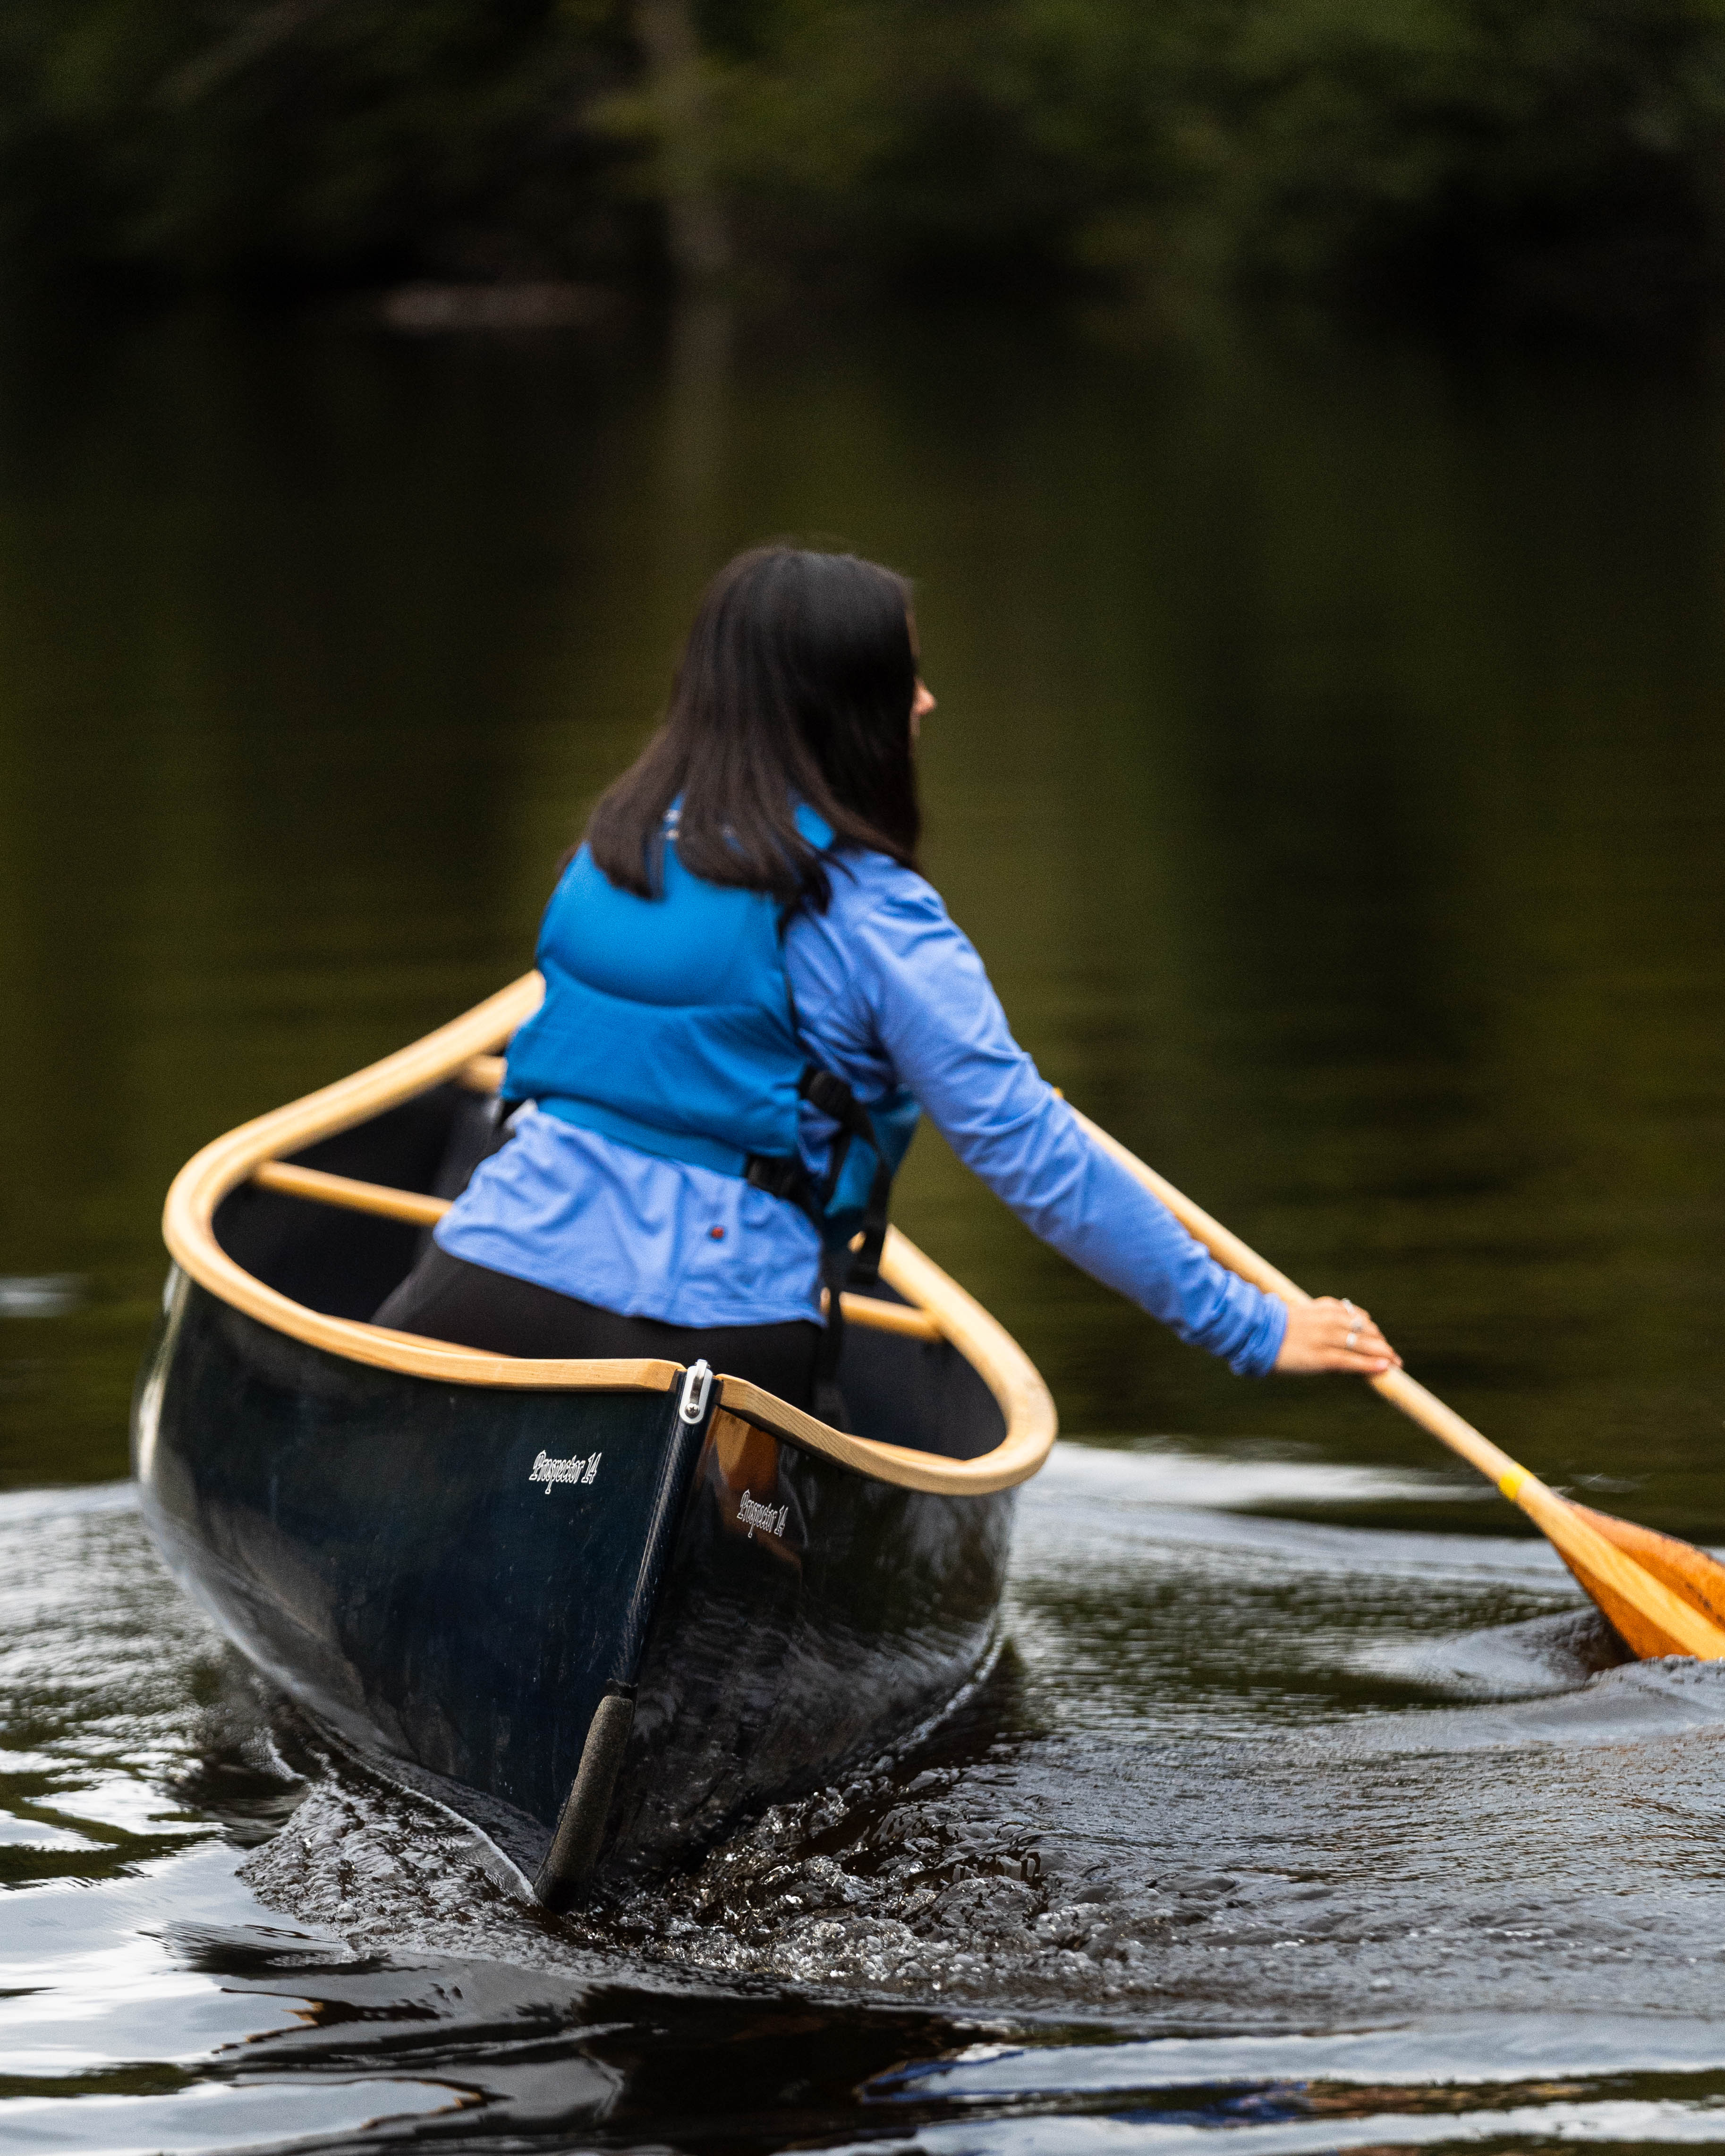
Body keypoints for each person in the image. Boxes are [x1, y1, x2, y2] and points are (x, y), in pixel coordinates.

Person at [374, 544, 1400, 1412]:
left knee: (385, 1383)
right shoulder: (870, 916)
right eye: (900, 678)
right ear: (839, 710)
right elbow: (1031, 1150)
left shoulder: (608, 854)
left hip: (491, 1278)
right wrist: (1253, 1327)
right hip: (718, 1336)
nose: (925, 701)